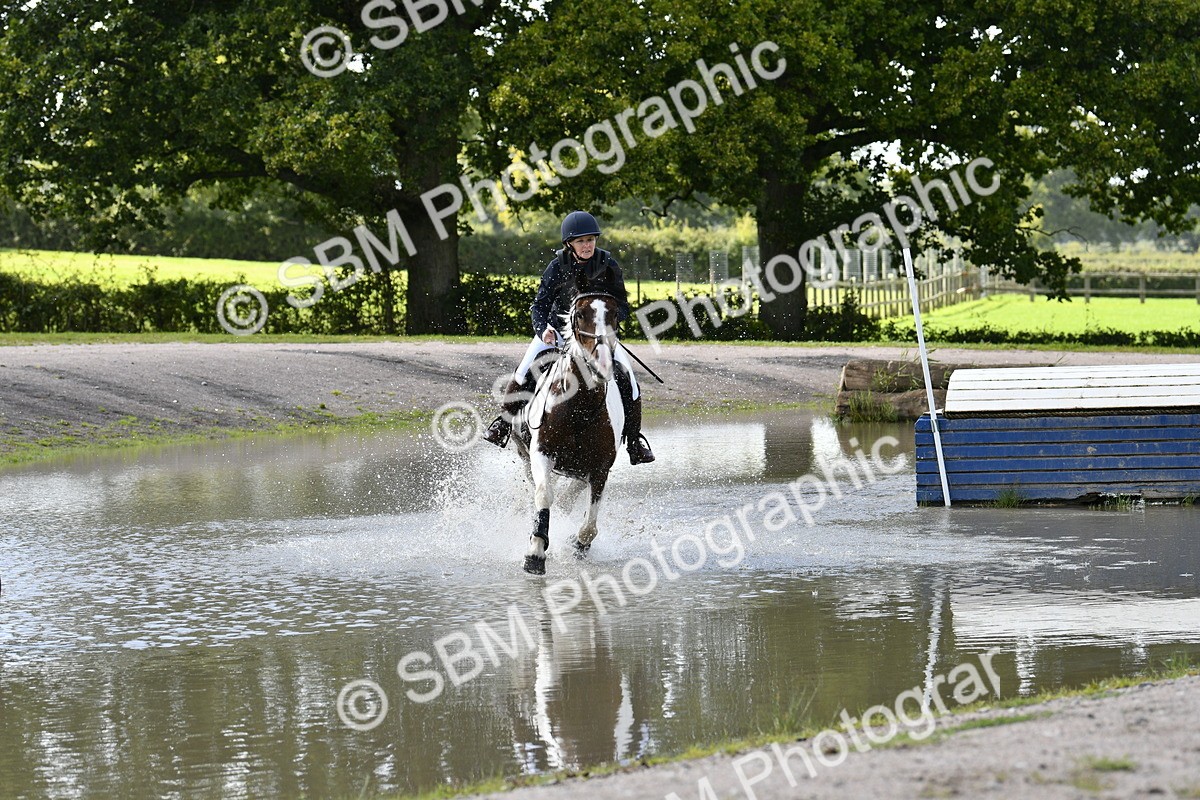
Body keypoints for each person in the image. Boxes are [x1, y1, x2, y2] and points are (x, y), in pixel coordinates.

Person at [482, 211, 655, 465]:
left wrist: (607, 323)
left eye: (591, 240)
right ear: (569, 244)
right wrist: (543, 330)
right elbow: (539, 306)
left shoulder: (608, 264)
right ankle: (504, 424)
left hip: (595, 336)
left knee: (629, 378)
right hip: (558, 334)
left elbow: (623, 305)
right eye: (581, 241)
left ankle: (634, 440)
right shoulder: (558, 266)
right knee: (523, 371)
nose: (587, 245)